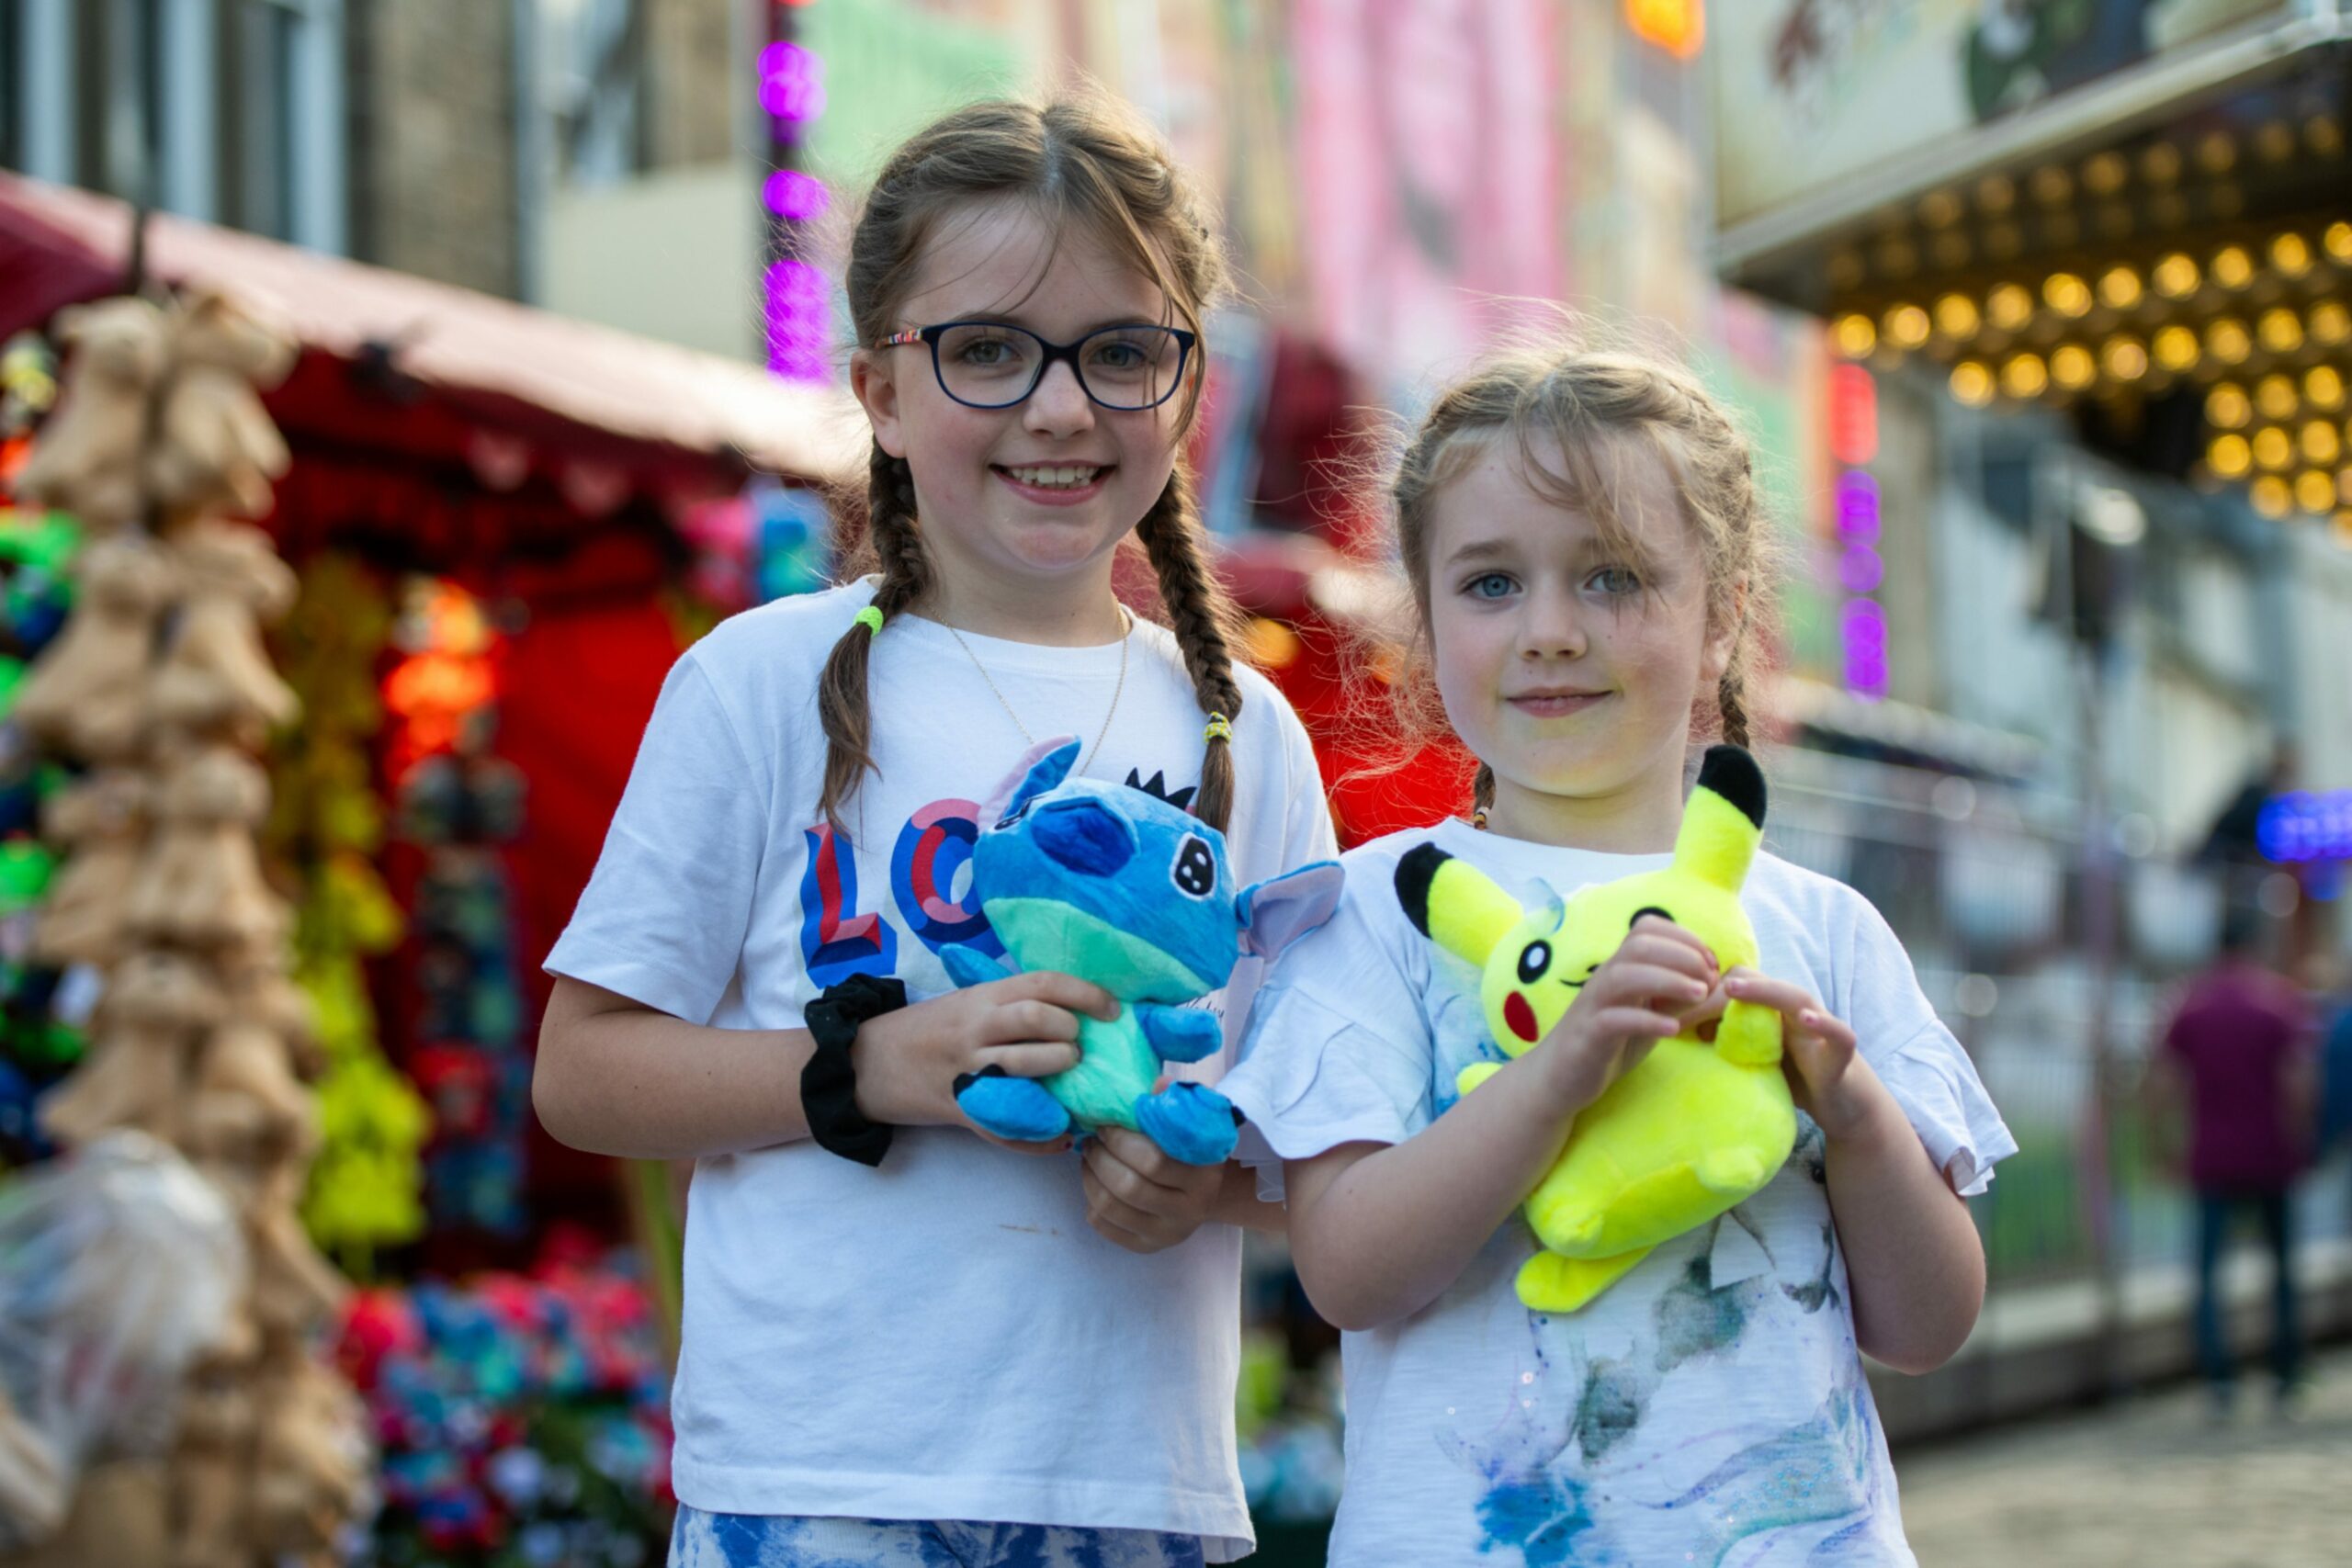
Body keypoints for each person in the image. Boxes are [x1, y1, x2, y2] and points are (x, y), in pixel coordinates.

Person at [533, 96, 1339, 1567]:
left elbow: (1329, 1134)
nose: (1057, 406)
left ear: (1186, 386)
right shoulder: (759, 681)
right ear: (883, 393)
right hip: (813, 1481)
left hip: (1136, 1497)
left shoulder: (1249, 738)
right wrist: (869, 1065)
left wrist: (1209, 1184)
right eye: (984, 349)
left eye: (1119, 349)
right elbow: (584, 1070)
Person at [1217, 344, 2016, 1563]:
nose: (1549, 630)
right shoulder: (1377, 908)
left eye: (1614, 576)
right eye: (1491, 584)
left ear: (1722, 617)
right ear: (1422, 623)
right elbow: (1351, 1272)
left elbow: (1926, 1320)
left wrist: (1857, 1117)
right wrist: (1557, 1071)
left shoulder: (1826, 926)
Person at [2155, 907, 2316, 1414]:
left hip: (2213, 1155)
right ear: (2253, 945)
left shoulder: (2192, 1005)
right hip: (2271, 1152)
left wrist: (2165, 1148)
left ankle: (2219, 1380)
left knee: (2207, 1273)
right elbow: (2298, 1083)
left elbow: (2161, 1086)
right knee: (2283, 1268)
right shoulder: (2278, 1002)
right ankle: (2286, 1374)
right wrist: (2303, 1140)